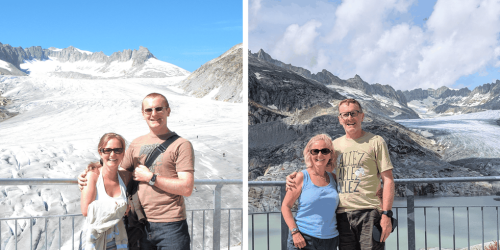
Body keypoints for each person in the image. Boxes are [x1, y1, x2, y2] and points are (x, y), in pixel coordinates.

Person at [79, 93, 195, 250]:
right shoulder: (136, 144)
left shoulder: (181, 145)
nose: (153, 114)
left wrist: (151, 177)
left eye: (159, 109)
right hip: (139, 223)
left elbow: (186, 188)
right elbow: (117, 169)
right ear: (143, 114)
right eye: (149, 110)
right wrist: (92, 172)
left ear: (168, 111)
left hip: (171, 224)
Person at [287, 98, 395, 250]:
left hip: (369, 212)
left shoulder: (376, 142)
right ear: (340, 119)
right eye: (345, 115)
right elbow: (319, 169)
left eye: (353, 113)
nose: (349, 118)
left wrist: (386, 214)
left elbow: (388, 179)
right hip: (342, 215)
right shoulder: (334, 146)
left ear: (362, 116)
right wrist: (296, 176)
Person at [281, 134, 340, 250]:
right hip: (303, 239)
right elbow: (285, 206)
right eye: (315, 151)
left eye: (324, 151)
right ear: (310, 154)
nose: (320, 155)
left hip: (330, 241)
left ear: (330, 154)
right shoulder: (302, 177)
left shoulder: (333, 178)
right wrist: (295, 232)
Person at [80, 132, 129, 250]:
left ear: (123, 153)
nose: (113, 154)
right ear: (100, 152)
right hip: (96, 241)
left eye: (118, 150)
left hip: (119, 241)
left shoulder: (124, 177)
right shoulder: (93, 175)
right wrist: (122, 208)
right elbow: (86, 210)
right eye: (107, 150)